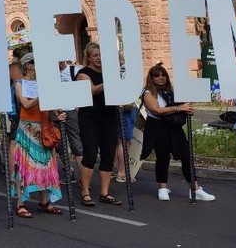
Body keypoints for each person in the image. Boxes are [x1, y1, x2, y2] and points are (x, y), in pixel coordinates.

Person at [139, 64, 215, 201]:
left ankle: (195, 188)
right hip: (157, 127)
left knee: (186, 155)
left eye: (163, 75)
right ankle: (162, 188)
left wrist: (186, 109)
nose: (161, 78)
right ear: (151, 78)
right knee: (163, 157)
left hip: (173, 127)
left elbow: (182, 107)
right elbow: (156, 110)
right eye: (157, 75)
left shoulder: (171, 91)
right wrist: (178, 108)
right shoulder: (148, 93)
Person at [9, 53, 64, 217]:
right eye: (35, 62)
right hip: (27, 128)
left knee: (46, 165)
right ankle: (20, 202)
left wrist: (58, 112)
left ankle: (44, 200)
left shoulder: (42, 83)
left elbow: (52, 104)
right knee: (24, 165)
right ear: (28, 65)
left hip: (44, 128)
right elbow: (25, 103)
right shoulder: (20, 83)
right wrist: (41, 96)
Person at [76, 43, 122, 206]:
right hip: (90, 118)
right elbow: (92, 90)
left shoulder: (108, 73)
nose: (99, 58)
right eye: (95, 55)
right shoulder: (83, 73)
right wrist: (109, 81)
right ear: (88, 57)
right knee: (90, 154)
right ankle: (85, 192)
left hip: (109, 117)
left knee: (108, 155)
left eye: (101, 55)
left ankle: (104, 192)